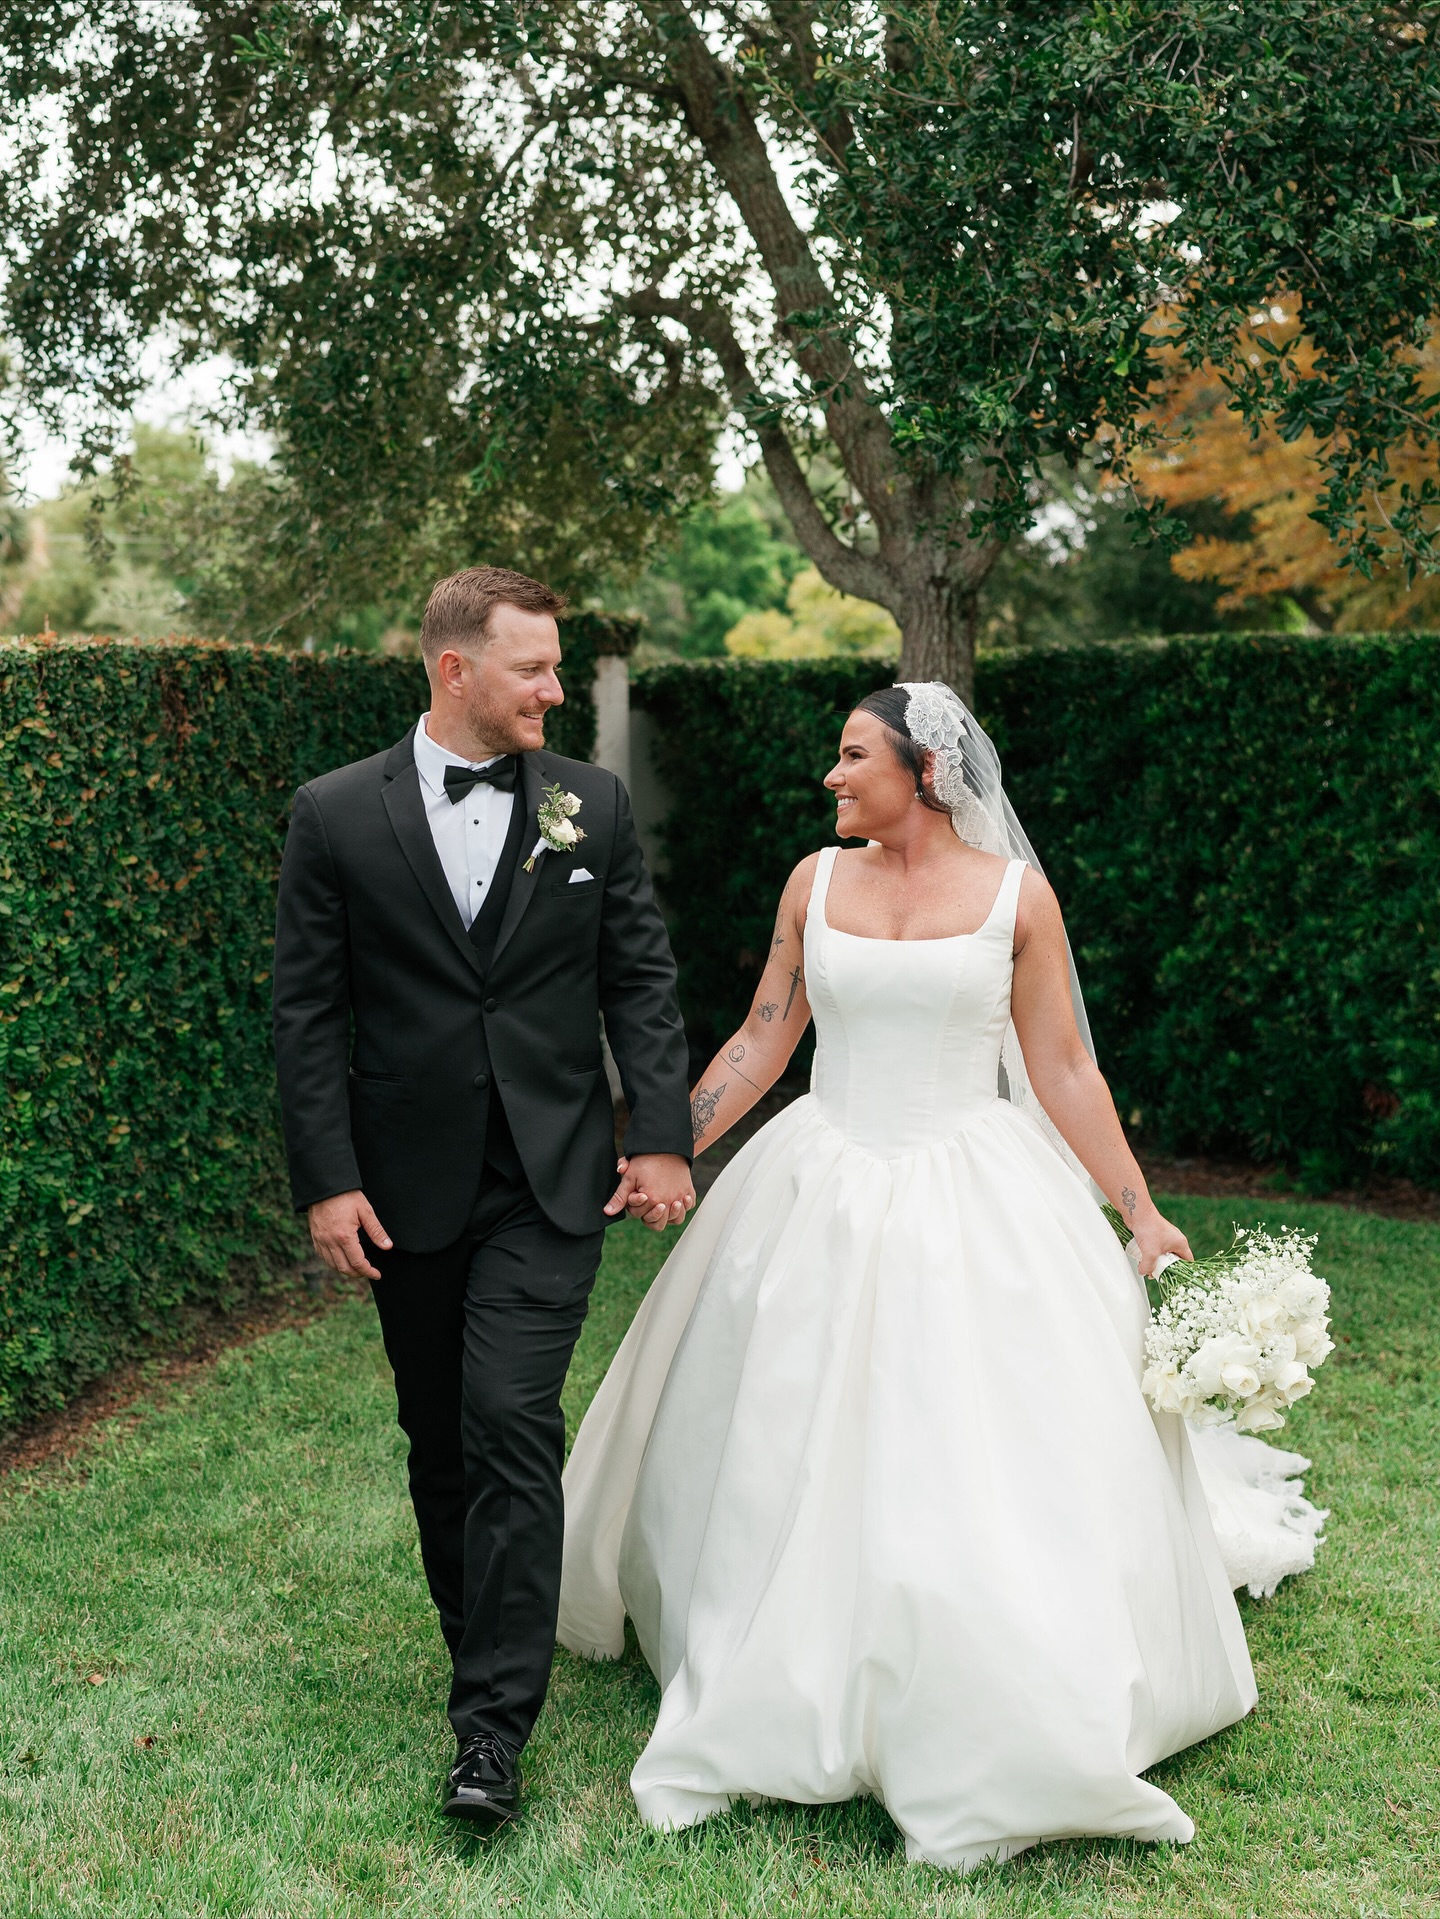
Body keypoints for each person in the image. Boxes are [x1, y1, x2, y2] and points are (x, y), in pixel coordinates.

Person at [558, 681, 1262, 1871]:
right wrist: (666, 1142)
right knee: (784, 1424)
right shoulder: (811, 882)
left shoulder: (1014, 898)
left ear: (925, 771)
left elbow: (1066, 1068)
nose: (831, 777)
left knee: (974, 1441)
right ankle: (782, 1646)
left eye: (851, 756)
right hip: (817, 1179)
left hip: (976, 1190)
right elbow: (762, 1034)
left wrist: (1138, 1210)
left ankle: (988, 1662)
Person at [271, 565, 694, 1830]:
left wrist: (661, 1134)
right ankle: (484, 1647)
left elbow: (641, 981)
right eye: (534, 669)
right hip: (405, 1186)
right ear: (457, 669)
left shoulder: (590, 805)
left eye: (558, 668)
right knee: (442, 1438)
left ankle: (491, 1731)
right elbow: (307, 1011)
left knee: (512, 1416)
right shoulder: (336, 813)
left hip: (551, 1176)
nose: (554, 691)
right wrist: (328, 1178)